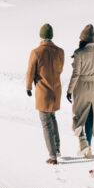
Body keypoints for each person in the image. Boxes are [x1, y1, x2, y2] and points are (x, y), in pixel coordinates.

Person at [26, 23, 65, 165]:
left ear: (41, 36)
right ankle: (57, 148)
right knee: (53, 118)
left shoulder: (36, 52)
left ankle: (52, 155)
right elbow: (60, 69)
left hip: (43, 91)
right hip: (56, 90)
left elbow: (31, 71)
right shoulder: (60, 52)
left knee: (45, 123)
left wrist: (28, 86)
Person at [67, 23, 94, 158]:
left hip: (81, 86)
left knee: (77, 116)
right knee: (90, 117)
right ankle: (89, 149)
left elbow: (76, 74)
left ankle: (82, 142)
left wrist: (69, 90)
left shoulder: (79, 53)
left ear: (83, 39)